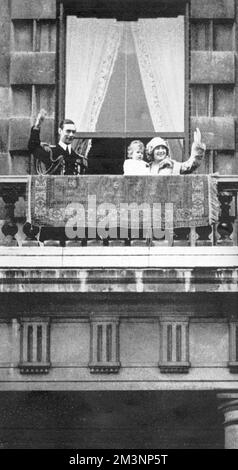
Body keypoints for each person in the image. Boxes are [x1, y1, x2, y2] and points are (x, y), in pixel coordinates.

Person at [28, 109, 87, 175]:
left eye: (73, 132)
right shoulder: (51, 153)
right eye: (68, 131)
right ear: (60, 131)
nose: (71, 135)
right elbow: (33, 148)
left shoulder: (79, 158)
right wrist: (37, 125)